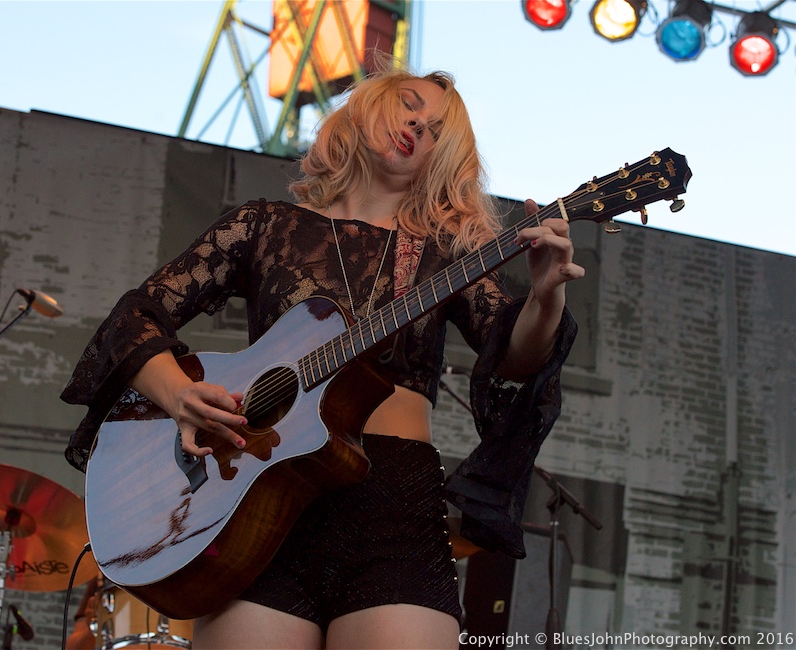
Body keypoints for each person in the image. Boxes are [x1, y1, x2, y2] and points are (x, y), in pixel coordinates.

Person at [61, 58, 582, 649]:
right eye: (410, 104)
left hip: (392, 504)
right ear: (367, 104)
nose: (419, 127)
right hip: (252, 501)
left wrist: (545, 296)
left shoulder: (446, 253)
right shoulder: (264, 225)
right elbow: (135, 316)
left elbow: (513, 355)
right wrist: (179, 396)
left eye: (438, 131)